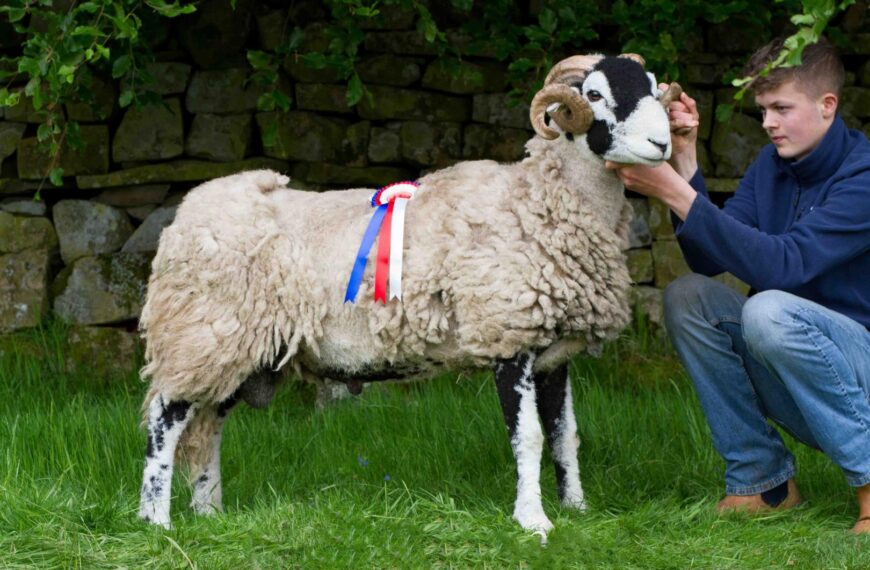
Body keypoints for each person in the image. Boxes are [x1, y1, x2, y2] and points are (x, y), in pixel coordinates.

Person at [606, 36, 870, 533]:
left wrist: (672, 191)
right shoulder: (772, 166)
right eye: (763, 109)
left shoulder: (864, 177)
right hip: (801, 371)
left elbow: (784, 267)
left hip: (862, 375)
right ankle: (764, 483)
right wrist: (684, 163)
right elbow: (706, 260)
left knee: (769, 308)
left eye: (781, 108)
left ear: (826, 105)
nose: (768, 122)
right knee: (689, 297)